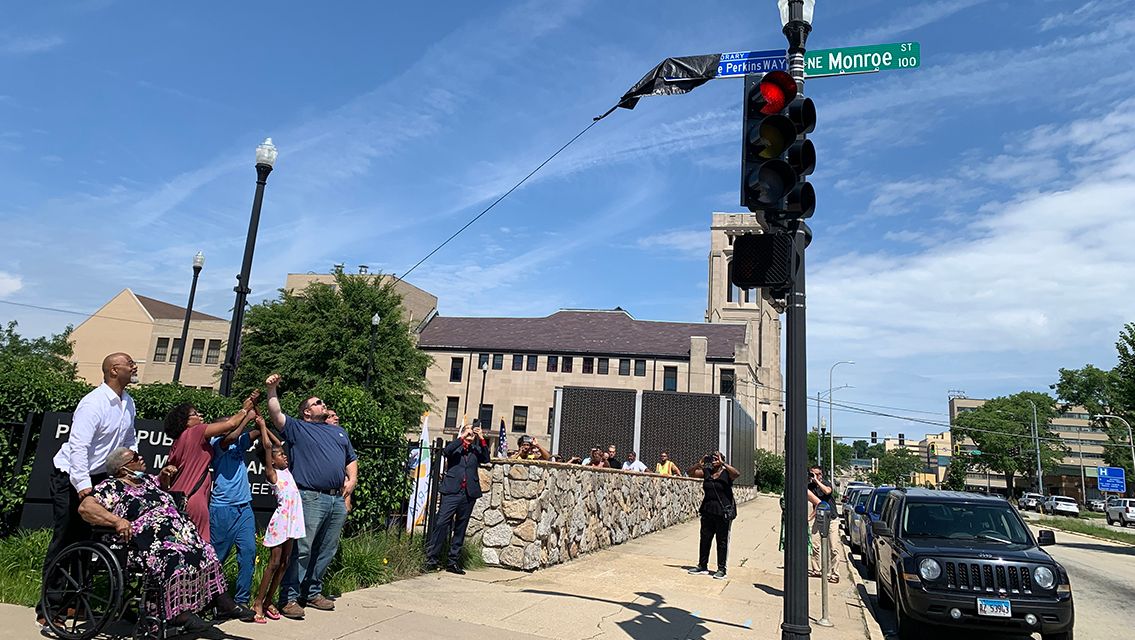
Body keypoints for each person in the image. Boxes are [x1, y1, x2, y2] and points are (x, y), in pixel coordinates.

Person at [78, 447, 252, 630]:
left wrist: (163, 475)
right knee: (173, 557)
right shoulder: (111, 487)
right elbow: (85, 508)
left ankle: (221, 602)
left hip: (178, 534)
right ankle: (177, 614)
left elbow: (161, 485)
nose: (141, 458)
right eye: (135, 457)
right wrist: (117, 521)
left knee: (205, 550)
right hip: (143, 541)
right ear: (122, 469)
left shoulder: (146, 481)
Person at [37, 352, 138, 627]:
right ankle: (49, 608)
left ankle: (75, 603)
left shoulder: (129, 403)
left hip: (98, 477)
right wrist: (83, 489)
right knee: (66, 539)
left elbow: (129, 441)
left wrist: (130, 470)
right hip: (69, 476)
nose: (135, 366)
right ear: (114, 370)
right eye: (130, 363)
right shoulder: (93, 403)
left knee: (88, 542)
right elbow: (79, 448)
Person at [264, 373, 358, 619]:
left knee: (327, 548)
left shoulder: (339, 432)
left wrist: (353, 480)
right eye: (317, 403)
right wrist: (272, 390)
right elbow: (276, 414)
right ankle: (289, 598)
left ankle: (312, 592)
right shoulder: (298, 428)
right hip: (310, 497)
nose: (322, 405)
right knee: (303, 549)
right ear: (306, 412)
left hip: (336, 499)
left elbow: (351, 459)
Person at [160, 392, 261, 547]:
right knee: (202, 547)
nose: (199, 416)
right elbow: (231, 425)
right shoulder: (195, 432)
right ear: (185, 422)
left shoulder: (177, 442)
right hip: (194, 499)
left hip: (178, 498)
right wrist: (244, 410)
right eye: (194, 414)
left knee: (182, 545)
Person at [208, 400, 265, 609]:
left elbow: (258, 430)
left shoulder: (239, 443)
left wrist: (256, 411)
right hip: (223, 508)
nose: (232, 426)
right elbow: (231, 435)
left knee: (249, 553)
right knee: (218, 557)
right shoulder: (216, 443)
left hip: (244, 507)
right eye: (228, 424)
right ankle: (210, 599)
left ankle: (241, 601)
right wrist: (245, 418)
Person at [251, 418, 305, 624]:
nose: (285, 457)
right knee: (273, 563)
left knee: (284, 563)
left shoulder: (287, 472)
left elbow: (277, 444)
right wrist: (263, 427)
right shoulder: (273, 474)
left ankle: (269, 601)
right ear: (271, 461)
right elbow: (268, 446)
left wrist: (275, 443)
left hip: (293, 522)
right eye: (281, 456)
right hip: (281, 522)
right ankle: (258, 602)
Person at [426, 421, 490, 573]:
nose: (470, 435)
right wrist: (462, 437)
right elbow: (446, 451)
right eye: (467, 431)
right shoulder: (456, 447)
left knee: (461, 528)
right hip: (452, 492)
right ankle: (431, 559)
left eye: (471, 432)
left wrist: (480, 437)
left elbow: (486, 458)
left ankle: (452, 561)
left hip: (468, 493)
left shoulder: (476, 450)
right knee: (441, 523)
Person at [687, 451, 739, 580]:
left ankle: (722, 569)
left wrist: (723, 464)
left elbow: (737, 474)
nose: (714, 460)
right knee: (705, 539)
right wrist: (699, 464)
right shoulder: (707, 472)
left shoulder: (727, 473)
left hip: (723, 512)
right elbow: (690, 473)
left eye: (717, 459)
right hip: (707, 510)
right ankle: (702, 565)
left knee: (721, 541)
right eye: (713, 459)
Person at [808, 465, 840, 583]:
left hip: (832, 519)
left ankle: (834, 574)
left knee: (833, 548)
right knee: (815, 544)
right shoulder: (810, 487)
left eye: (816, 474)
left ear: (820, 474)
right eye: (812, 474)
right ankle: (816, 569)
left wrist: (817, 481)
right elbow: (815, 504)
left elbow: (827, 491)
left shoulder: (826, 483)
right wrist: (810, 518)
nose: (814, 476)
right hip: (819, 518)